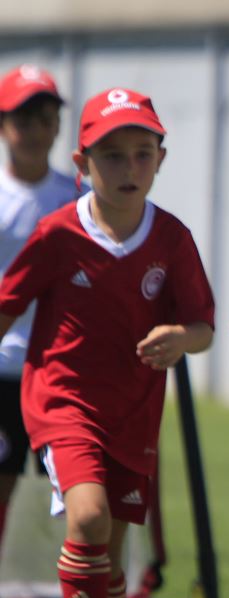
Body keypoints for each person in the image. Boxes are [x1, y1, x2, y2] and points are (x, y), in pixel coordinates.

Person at [0, 87, 215, 598]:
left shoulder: (171, 238)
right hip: (62, 401)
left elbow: (201, 326)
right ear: (82, 164)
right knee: (89, 517)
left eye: (142, 154)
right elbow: (8, 304)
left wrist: (181, 338)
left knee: (114, 543)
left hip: (134, 410)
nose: (129, 168)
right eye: (112, 155)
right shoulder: (58, 232)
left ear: (160, 160)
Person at [0, 65, 82, 567]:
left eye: (46, 119)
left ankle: (96, 586)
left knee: (83, 488)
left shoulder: (79, 197)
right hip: (4, 369)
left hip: (63, 370)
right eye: (23, 119)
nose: (35, 130)